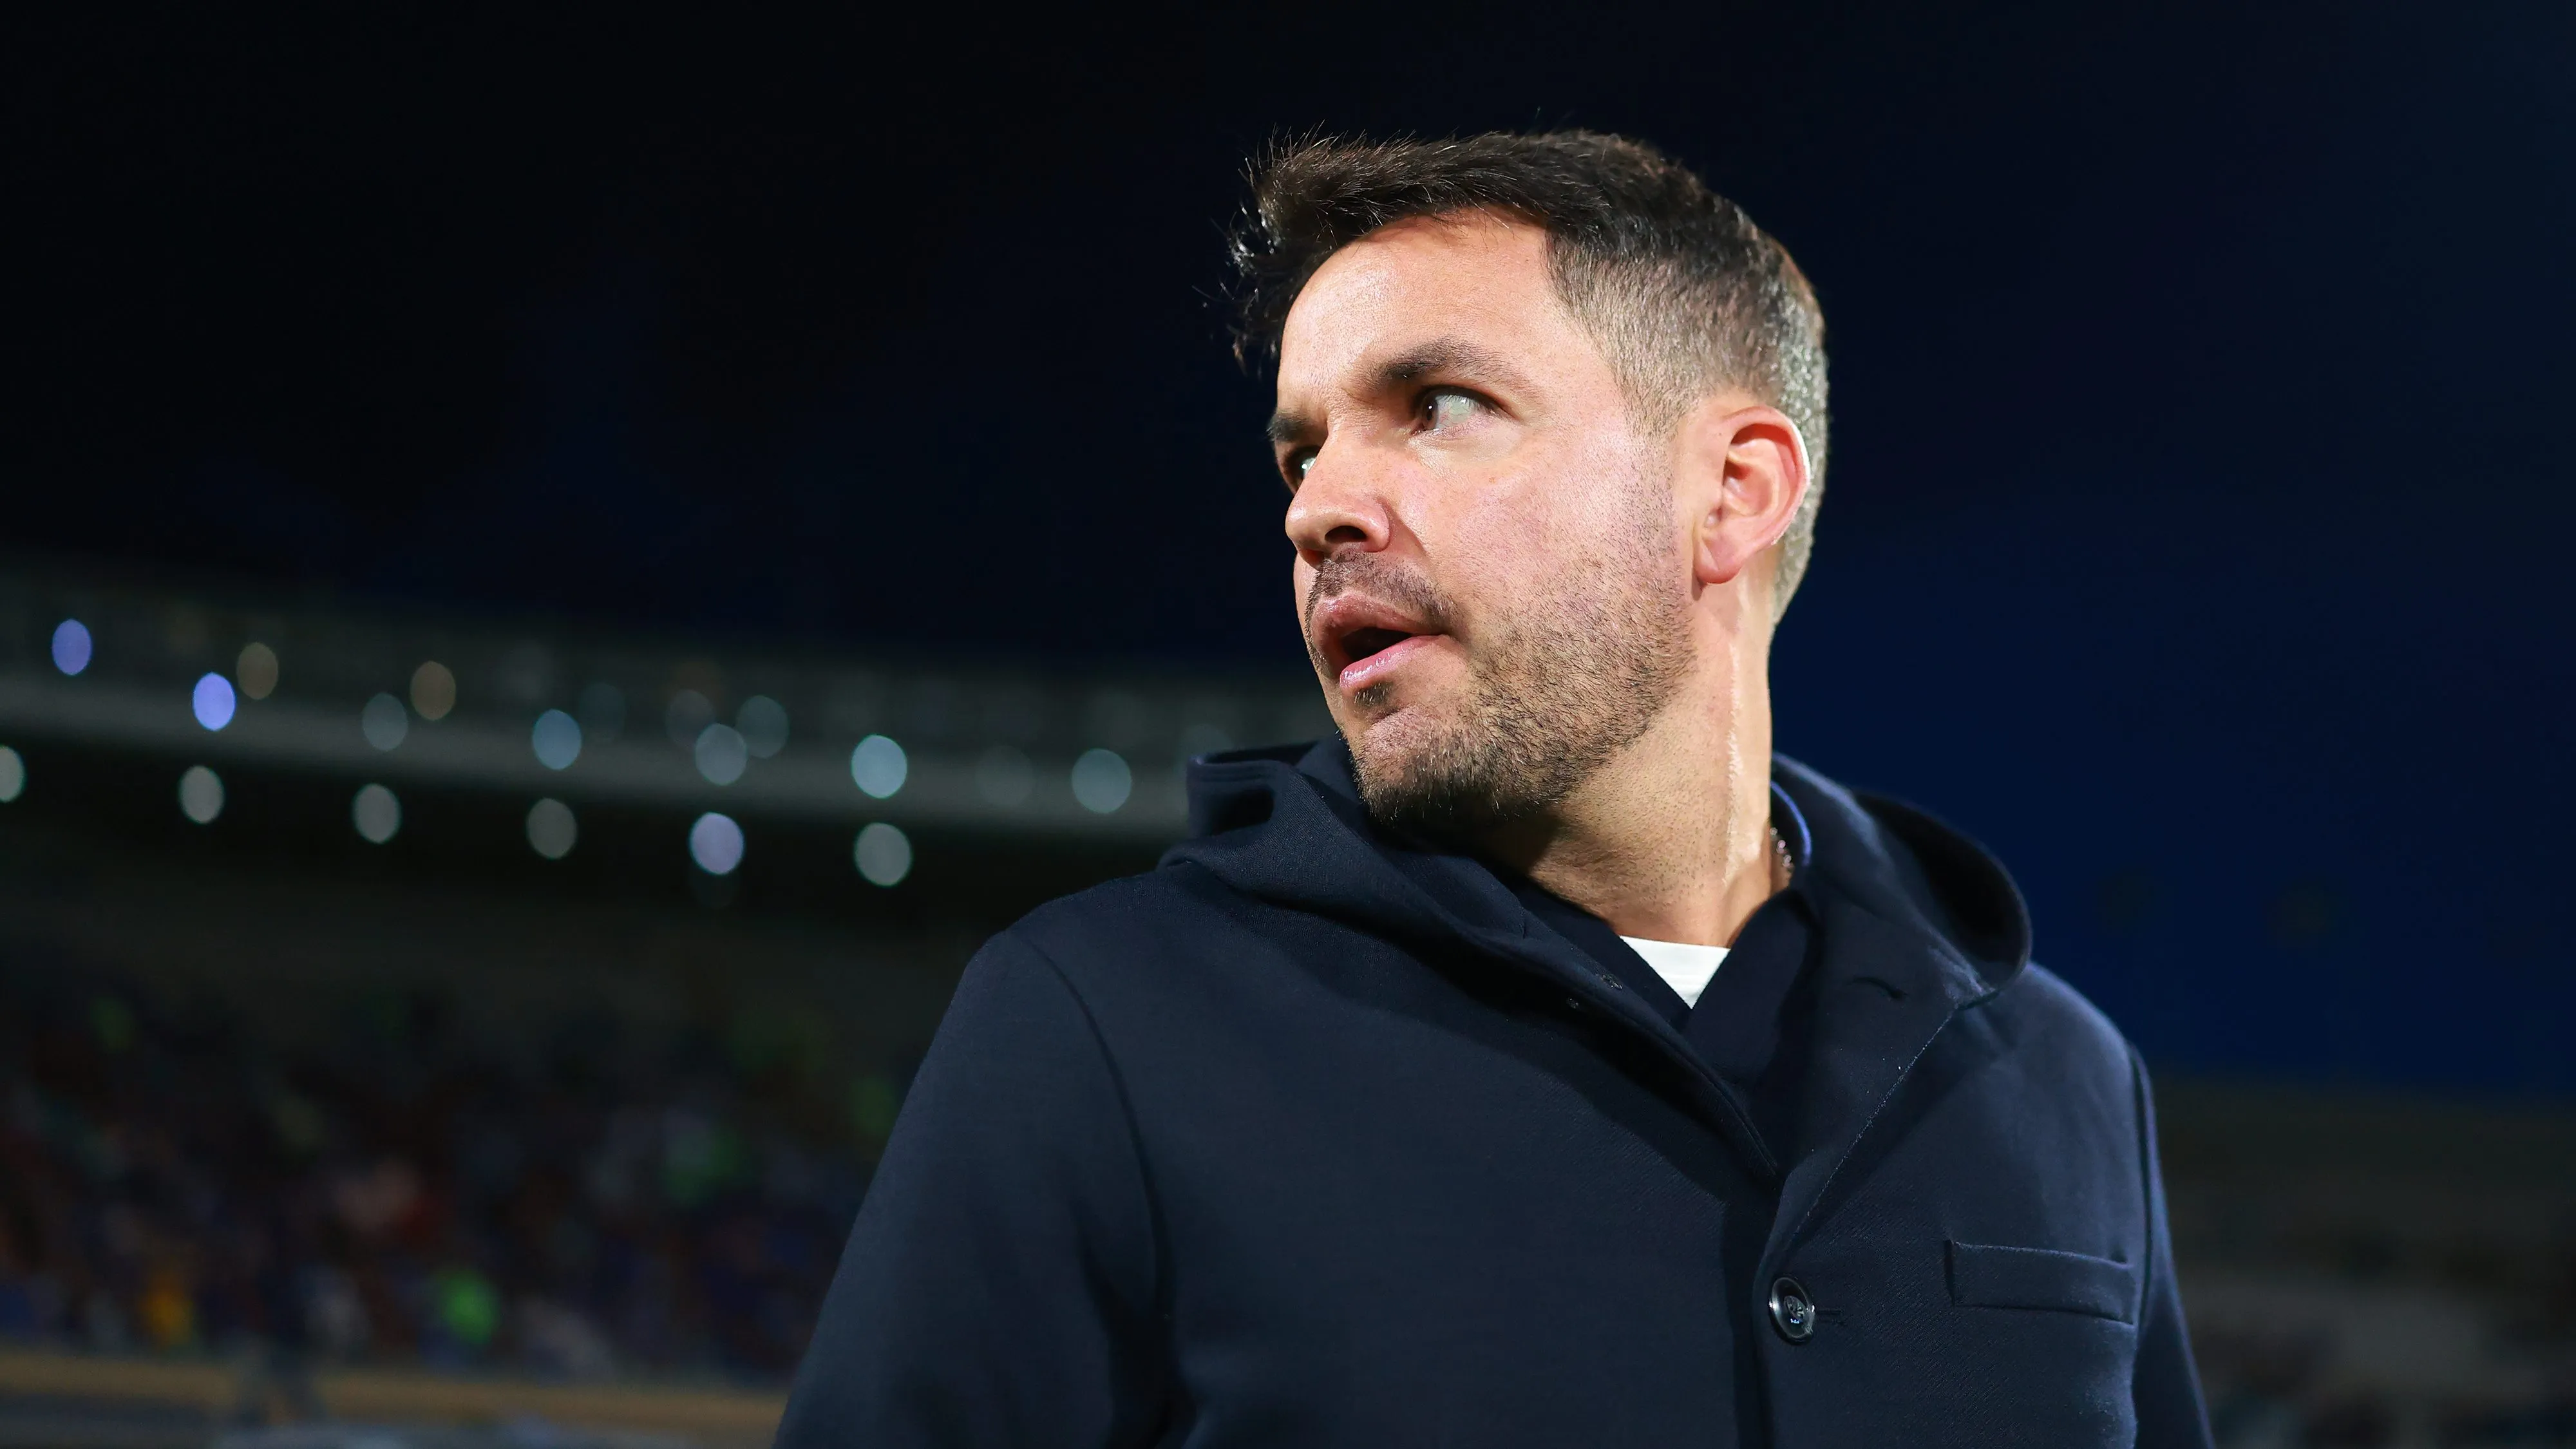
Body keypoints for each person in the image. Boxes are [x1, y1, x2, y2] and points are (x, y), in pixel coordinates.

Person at [776, 131, 2212, 1447]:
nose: (1315, 504)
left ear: (1729, 493)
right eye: (1301, 444)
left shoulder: (2055, 1078)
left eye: (1437, 404)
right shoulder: (1094, 1021)